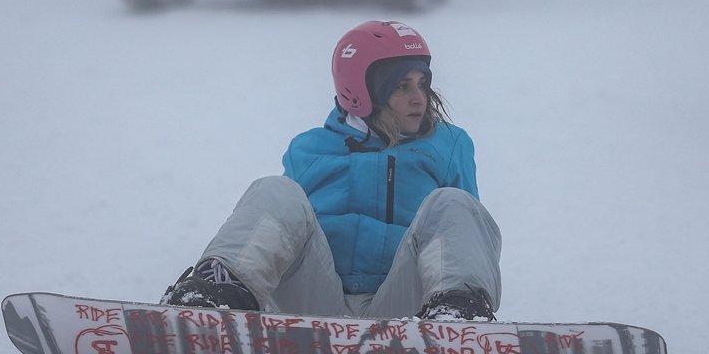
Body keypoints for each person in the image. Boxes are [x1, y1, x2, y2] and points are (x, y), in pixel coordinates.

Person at [161, 20, 502, 321]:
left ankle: (458, 317)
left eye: (422, 83)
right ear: (363, 91)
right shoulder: (309, 149)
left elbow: (466, 236)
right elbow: (281, 236)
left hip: (404, 310)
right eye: (402, 86)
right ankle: (214, 301)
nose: (419, 98)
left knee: (453, 203)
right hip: (314, 306)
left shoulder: (449, 144)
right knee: (276, 191)